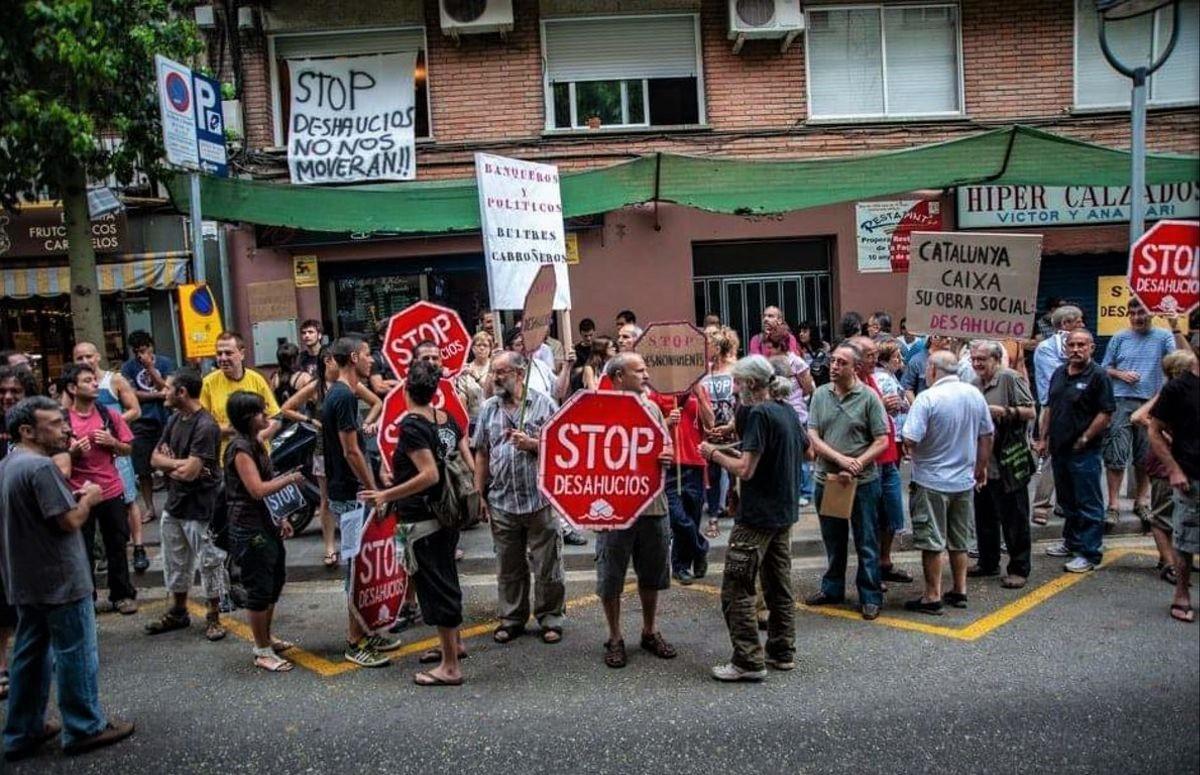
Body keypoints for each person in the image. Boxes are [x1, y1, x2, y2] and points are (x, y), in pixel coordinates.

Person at [0, 396, 135, 759]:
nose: (65, 429)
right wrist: (88, 497)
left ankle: (22, 730)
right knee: (75, 651)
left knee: (29, 655)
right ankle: (83, 727)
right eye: (55, 424)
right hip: (59, 578)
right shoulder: (41, 468)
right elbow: (69, 521)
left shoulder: (11, 463)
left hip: (28, 579)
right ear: (27, 431)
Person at [362, 361, 467, 686]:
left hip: (424, 519)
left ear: (406, 390)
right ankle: (454, 646)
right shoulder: (440, 418)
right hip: (441, 516)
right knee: (445, 580)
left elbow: (429, 475)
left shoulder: (412, 426)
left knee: (436, 588)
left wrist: (387, 494)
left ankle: (449, 667)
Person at [700, 356, 804, 682]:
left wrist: (713, 454)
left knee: (737, 587)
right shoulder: (786, 409)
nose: (734, 389)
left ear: (753, 384)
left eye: (738, 383)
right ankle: (782, 651)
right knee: (778, 585)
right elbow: (802, 449)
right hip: (783, 513)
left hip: (757, 516)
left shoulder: (759, 413)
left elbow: (747, 468)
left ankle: (747, 660)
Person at [472, 351, 566, 644]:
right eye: (494, 372)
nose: (496, 377)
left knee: (548, 565)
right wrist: (479, 494)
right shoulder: (489, 408)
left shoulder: (544, 403)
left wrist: (534, 444)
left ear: (519, 374)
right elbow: (482, 452)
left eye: (502, 372)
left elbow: (562, 448)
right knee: (509, 566)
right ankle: (512, 618)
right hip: (502, 501)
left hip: (539, 500)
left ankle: (551, 618)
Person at [596, 353, 677, 668]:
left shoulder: (653, 407)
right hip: (612, 508)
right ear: (618, 376)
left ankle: (649, 630)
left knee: (653, 572)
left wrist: (667, 454)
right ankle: (614, 637)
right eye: (639, 370)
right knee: (611, 575)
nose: (646, 375)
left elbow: (664, 445)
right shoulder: (598, 409)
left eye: (646, 369)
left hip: (653, 505)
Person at [323, 337, 398, 666]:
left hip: (352, 492)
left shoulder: (345, 393)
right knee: (356, 567)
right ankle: (354, 641)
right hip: (352, 495)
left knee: (365, 565)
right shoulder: (341, 396)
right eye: (368, 355)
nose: (372, 360)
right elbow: (351, 451)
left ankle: (367, 629)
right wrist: (373, 490)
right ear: (353, 358)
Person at [901, 351, 994, 614]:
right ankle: (960, 589)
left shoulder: (927, 398)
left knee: (932, 541)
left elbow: (911, 439)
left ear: (932, 369)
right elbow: (987, 435)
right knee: (959, 539)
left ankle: (932, 595)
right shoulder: (974, 395)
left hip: (931, 480)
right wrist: (981, 468)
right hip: (963, 481)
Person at [805, 343, 889, 620]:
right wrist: (841, 460)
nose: (834, 366)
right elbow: (814, 436)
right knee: (833, 538)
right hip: (828, 478)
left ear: (856, 368)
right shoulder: (820, 395)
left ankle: (870, 595)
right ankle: (832, 588)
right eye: (833, 361)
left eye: (841, 362)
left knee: (866, 539)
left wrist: (858, 463)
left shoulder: (868, 398)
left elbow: (882, 440)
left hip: (863, 482)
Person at [144, 368, 228, 641]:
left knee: (209, 561)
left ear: (182, 392)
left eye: (168, 387)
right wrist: (176, 465)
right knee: (175, 561)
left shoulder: (206, 426)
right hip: (175, 504)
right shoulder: (174, 420)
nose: (163, 392)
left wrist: (171, 465)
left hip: (201, 507)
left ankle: (214, 616)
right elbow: (154, 458)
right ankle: (179, 611)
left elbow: (191, 472)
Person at [225, 391, 303, 670]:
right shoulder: (240, 450)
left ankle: (267, 638)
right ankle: (261, 650)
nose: (265, 414)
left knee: (274, 580)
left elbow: (279, 420)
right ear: (248, 418)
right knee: (259, 588)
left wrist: (281, 517)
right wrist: (289, 478)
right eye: (260, 411)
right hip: (249, 528)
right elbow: (257, 490)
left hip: (266, 524)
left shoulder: (256, 443)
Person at [282, 347, 382, 568]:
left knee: (350, 500)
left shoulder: (348, 387)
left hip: (349, 444)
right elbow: (286, 409)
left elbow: (377, 402)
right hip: (324, 447)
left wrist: (366, 423)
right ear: (328, 361)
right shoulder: (318, 387)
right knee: (326, 497)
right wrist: (311, 421)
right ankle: (329, 546)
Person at [58, 364, 138, 615]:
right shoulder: (61, 420)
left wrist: (112, 442)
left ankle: (122, 594)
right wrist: (72, 452)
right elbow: (53, 458)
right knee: (81, 548)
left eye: (94, 380)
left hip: (111, 489)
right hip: (78, 493)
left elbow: (128, 447)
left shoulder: (108, 414)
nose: (95, 384)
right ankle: (86, 598)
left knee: (117, 543)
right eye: (87, 381)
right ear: (72, 388)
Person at [1099, 299, 1184, 531]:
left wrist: (1175, 324)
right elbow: (1104, 367)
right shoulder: (1119, 338)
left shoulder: (1163, 337)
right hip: (1121, 400)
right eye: (1133, 312)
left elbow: (1179, 360)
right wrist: (1121, 374)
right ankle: (1114, 505)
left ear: (1151, 315)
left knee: (1145, 454)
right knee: (1116, 452)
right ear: (1128, 315)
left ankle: (1142, 501)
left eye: (1142, 312)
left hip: (1151, 403)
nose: (1138, 317)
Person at [1038, 330, 1114, 573]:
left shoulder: (1099, 376)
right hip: (1059, 448)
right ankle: (1071, 542)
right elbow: (1050, 407)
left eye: (1082, 345)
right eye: (1071, 345)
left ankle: (1090, 553)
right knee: (1067, 500)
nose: (1076, 349)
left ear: (1092, 348)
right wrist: (1043, 438)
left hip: (1084, 450)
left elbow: (1105, 413)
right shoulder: (1059, 373)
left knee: (1088, 502)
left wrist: (1085, 437)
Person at [72, 342, 147, 573]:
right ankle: (103, 553)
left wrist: (112, 428)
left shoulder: (114, 380)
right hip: (86, 463)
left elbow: (135, 409)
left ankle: (138, 547)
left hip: (113, 450)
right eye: (79, 357)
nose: (85, 361)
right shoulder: (71, 389)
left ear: (98, 357)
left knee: (128, 499)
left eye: (89, 356)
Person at [968, 341, 1036, 589]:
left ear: (996, 360)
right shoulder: (974, 384)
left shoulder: (1009, 378)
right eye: (974, 359)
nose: (977, 364)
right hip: (984, 459)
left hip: (1009, 457)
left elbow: (1031, 412)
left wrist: (1005, 411)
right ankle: (988, 562)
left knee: (1014, 516)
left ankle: (1019, 567)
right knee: (984, 513)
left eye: (982, 360)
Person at [1130, 351, 1195, 584]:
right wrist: (1164, 435)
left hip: (1184, 462)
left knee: (1182, 516)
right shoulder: (1167, 393)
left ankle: (1175, 559)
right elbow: (1137, 417)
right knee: (1163, 517)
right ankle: (1168, 563)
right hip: (1164, 463)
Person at [851, 336, 910, 588]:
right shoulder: (853, 385)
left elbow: (895, 410)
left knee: (891, 514)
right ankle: (871, 572)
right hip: (870, 461)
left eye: (876, 354)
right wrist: (882, 406)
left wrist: (893, 407)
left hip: (888, 457)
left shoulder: (875, 379)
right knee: (870, 519)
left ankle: (884, 563)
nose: (875, 359)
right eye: (869, 355)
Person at [1146, 350, 1200, 623]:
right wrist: (1174, 469)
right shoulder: (1178, 388)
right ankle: (1182, 593)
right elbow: (1153, 430)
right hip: (1191, 475)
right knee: (1185, 540)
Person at [651, 381, 714, 585]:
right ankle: (700, 548)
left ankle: (681, 566)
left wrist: (700, 396)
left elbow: (710, 424)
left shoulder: (699, 390)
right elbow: (649, 428)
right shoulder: (658, 391)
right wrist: (668, 421)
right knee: (677, 517)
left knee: (692, 516)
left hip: (695, 462)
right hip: (669, 463)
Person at [0, 364, 38, 702]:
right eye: (3, 392)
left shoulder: (35, 430)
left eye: (15, 392)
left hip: (27, 530)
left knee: (24, 609)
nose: (8, 397)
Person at [1031, 305, 1085, 523]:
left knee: (1075, 454)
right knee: (1052, 455)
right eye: (1078, 321)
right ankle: (1041, 505)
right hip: (1053, 407)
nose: (1082, 325)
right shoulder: (1045, 348)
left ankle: (1064, 503)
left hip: (1078, 407)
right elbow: (1059, 376)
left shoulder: (1078, 346)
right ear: (1065, 324)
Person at [199, 331, 281, 460]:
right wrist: (235, 430)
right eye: (219, 354)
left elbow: (275, 417)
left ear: (242, 354)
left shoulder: (256, 379)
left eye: (228, 353)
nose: (223, 358)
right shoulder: (208, 383)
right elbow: (202, 426)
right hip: (226, 461)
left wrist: (259, 437)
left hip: (259, 458)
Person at [121, 330, 174, 525]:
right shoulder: (127, 368)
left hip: (165, 421)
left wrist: (151, 368)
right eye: (136, 351)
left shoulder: (165, 363)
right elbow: (132, 394)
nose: (140, 355)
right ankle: (150, 508)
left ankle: (170, 505)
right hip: (141, 424)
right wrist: (159, 395)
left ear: (151, 347)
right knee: (143, 470)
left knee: (169, 464)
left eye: (143, 350)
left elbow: (167, 389)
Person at [700, 327, 739, 536]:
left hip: (732, 429)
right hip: (711, 429)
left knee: (735, 474)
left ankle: (735, 507)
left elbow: (742, 400)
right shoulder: (704, 371)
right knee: (713, 473)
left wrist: (732, 425)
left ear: (717, 347)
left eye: (708, 345)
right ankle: (713, 515)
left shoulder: (735, 368)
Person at [902, 333, 953, 403]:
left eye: (951, 337)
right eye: (945, 337)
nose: (949, 339)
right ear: (933, 337)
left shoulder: (951, 360)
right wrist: (918, 408)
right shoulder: (917, 361)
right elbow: (907, 388)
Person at [270, 342, 309, 409]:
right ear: (294, 359)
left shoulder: (274, 378)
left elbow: (271, 402)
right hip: (301, 417)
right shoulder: (304, 377)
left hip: (282, 417)